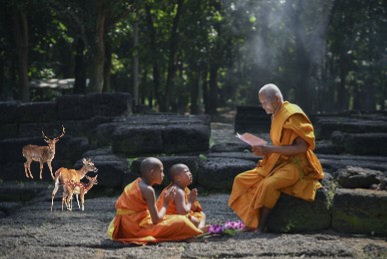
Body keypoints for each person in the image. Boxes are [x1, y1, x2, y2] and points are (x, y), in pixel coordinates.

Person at [228, 83, 324, 233]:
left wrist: (270, 149)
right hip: (277, 161)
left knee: (268, 185)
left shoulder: (292, 115)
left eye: (265, 102)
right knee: (241, 180)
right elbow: (281, 143)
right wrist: (265, 151)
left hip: (296, 165)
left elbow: (302, 147)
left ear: (277, 99)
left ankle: (260, 227)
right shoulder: (276, 114)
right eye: (261, 103)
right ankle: (250, 222)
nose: (263, 106)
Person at [107, 157, 203, 244]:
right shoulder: (148, 190)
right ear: (152, 173)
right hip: (136, 229)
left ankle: (200, 228)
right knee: (182, 221)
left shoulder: (137, 183)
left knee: (179, 219)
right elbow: (156, 220)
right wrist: (166, 202)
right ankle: (204, 230)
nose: (163, 175)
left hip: (127, 225)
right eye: (161, 172)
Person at [156, 163, 208, 231]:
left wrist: (193, 202)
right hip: (170, 218)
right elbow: (183, 212)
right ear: (177, 178)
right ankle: (197, 229)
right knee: (194, 221)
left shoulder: (185, 189)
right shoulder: (178, 191)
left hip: (179, 215)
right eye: (186, 171)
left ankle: (200, 228)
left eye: (189, 171)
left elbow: (194, 209)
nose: (190, 173)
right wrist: (190, 202)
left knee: (202, 214)